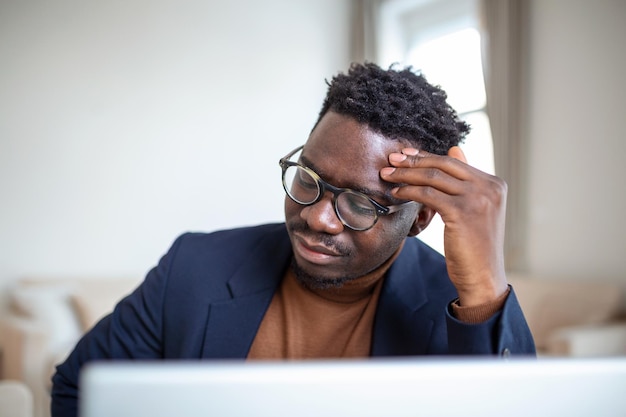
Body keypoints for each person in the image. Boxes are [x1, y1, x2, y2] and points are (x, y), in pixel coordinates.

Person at [51, 62, 535, 417]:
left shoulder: (461, 310)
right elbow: (79, 389)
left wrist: (485, 288)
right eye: (309, 178)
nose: (320, 218)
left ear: (419, 219)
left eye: (361, 204)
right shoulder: (194, 266)